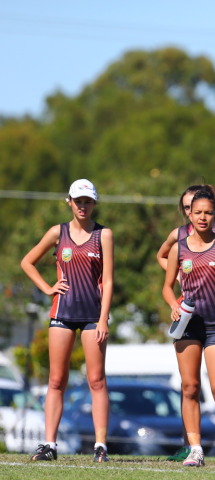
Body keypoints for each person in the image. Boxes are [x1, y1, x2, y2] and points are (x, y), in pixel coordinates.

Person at [20, 179, 114, 463]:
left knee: (96, 380)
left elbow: (108, 281)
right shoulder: (57, 233)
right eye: (78, 201)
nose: (82, 206)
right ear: (69, 202)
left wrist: (103, 320)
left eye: (87, 201)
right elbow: (27, 262)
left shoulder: (104, 235)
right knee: (56, 379)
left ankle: (100, 446)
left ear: (94, 203)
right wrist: (48, 287)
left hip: (92, 317)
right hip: (62, 313)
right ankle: (49, 444)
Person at [157, 184, 215, 463]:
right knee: (189, 387)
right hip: (187, 326)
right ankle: (195, 449)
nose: (202, 218)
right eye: (197, 212)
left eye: (208, 213)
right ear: (189, 215)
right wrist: (174, 304)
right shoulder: (179, 248)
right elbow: (166, 287)